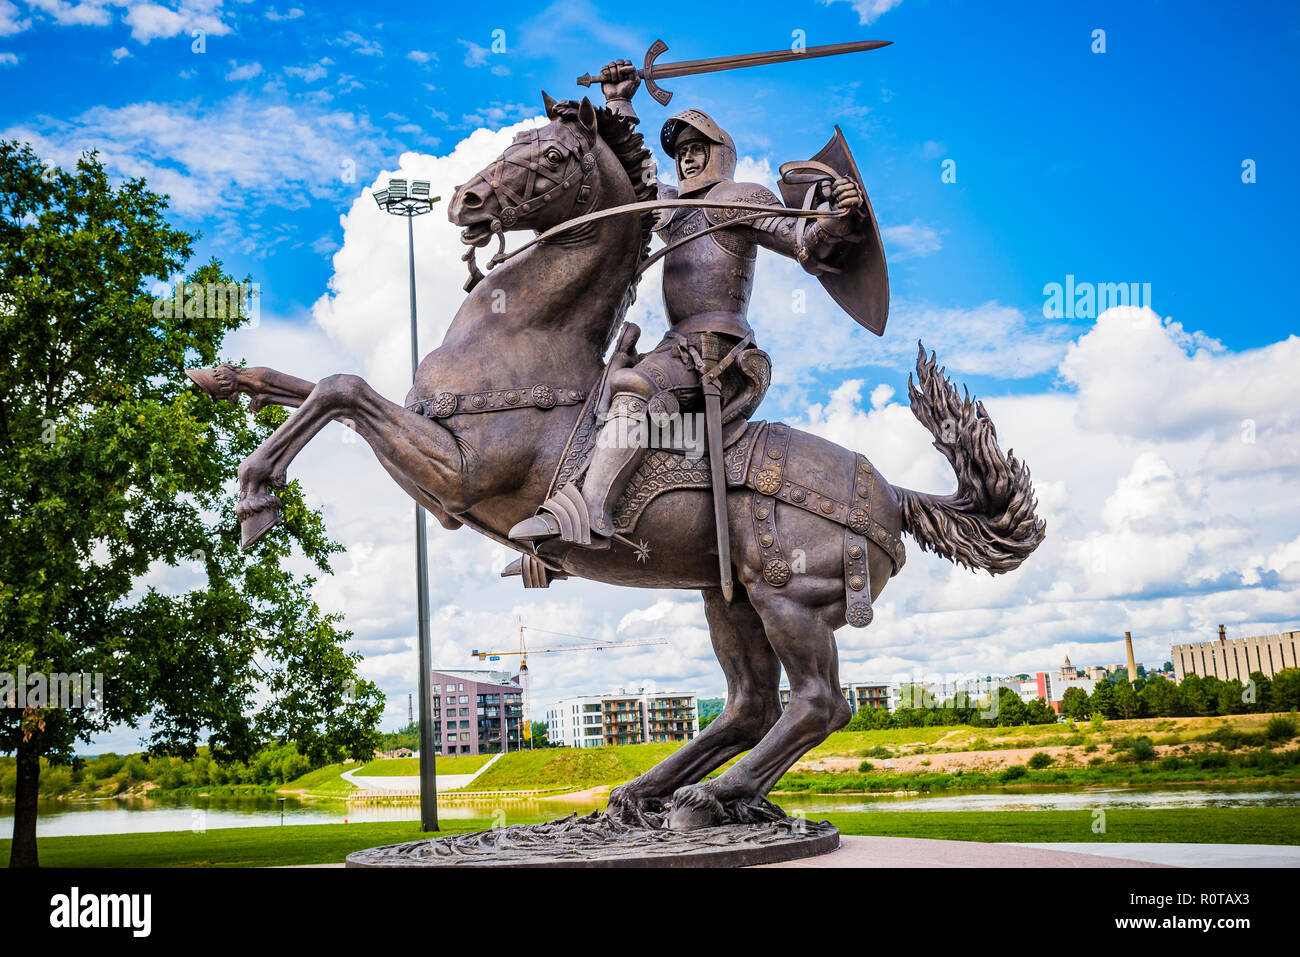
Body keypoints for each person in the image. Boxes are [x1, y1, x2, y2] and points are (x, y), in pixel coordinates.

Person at [509, 60, 866, 549]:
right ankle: (552, 543)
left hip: (719, 350)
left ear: (718, 153)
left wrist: (835, 220)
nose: (688, 159)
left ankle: (589, 513)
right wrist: (618, 101)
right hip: (676, 346)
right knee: (591, 392)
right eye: (681, 153)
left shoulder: (739, 197)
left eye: (697, 149)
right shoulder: (672, 204)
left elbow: (800, 239)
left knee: (633, 385)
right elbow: (625, 179)